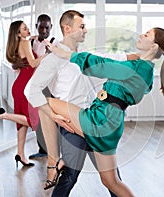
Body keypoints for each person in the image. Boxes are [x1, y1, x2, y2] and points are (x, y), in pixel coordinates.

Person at [43, 26, 164, 196]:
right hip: (110, 122)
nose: (141, 34)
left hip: (100, 119)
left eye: (147, 34)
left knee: (45, 102)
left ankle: (52, 165)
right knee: (111, 181)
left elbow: (101, 65)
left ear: (154, 46)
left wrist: (63, 54)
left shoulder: (137, 67)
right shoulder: (144, 70)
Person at [25, 10, 134, 195]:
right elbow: (31, 90)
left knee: (112, 178)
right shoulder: (54, 58)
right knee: (69, 177)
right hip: (72, 125)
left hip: (92, 121)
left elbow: (108, 58)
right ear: (67, 29)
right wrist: (52, 114)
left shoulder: (81, 55)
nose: (86, 30)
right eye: (81, 26)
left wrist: (142, 57)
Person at [0, 20, 47, 167]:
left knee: (22, 123)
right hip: (25, 87)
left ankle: (20, 155)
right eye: (24, 29)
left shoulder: (21, 43)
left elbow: (25, 58)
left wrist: (31, 38)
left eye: (27, 27)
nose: (28, 30)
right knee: (33, 121)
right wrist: (47, 55)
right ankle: (2, 114)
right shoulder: (24, 43)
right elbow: (33, 64)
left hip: (19, 86)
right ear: (18, 34)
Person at [28, 14, 57, 160]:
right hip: (34, 85)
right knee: (37, 119)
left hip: (48, 87)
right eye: (41, 27)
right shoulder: (30, 42)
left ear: (51, 27)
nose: (44, 30)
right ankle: (42, 148)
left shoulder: (54, 43)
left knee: (51, 118)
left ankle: (54, 150)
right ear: (36, 26)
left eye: (47, 27)